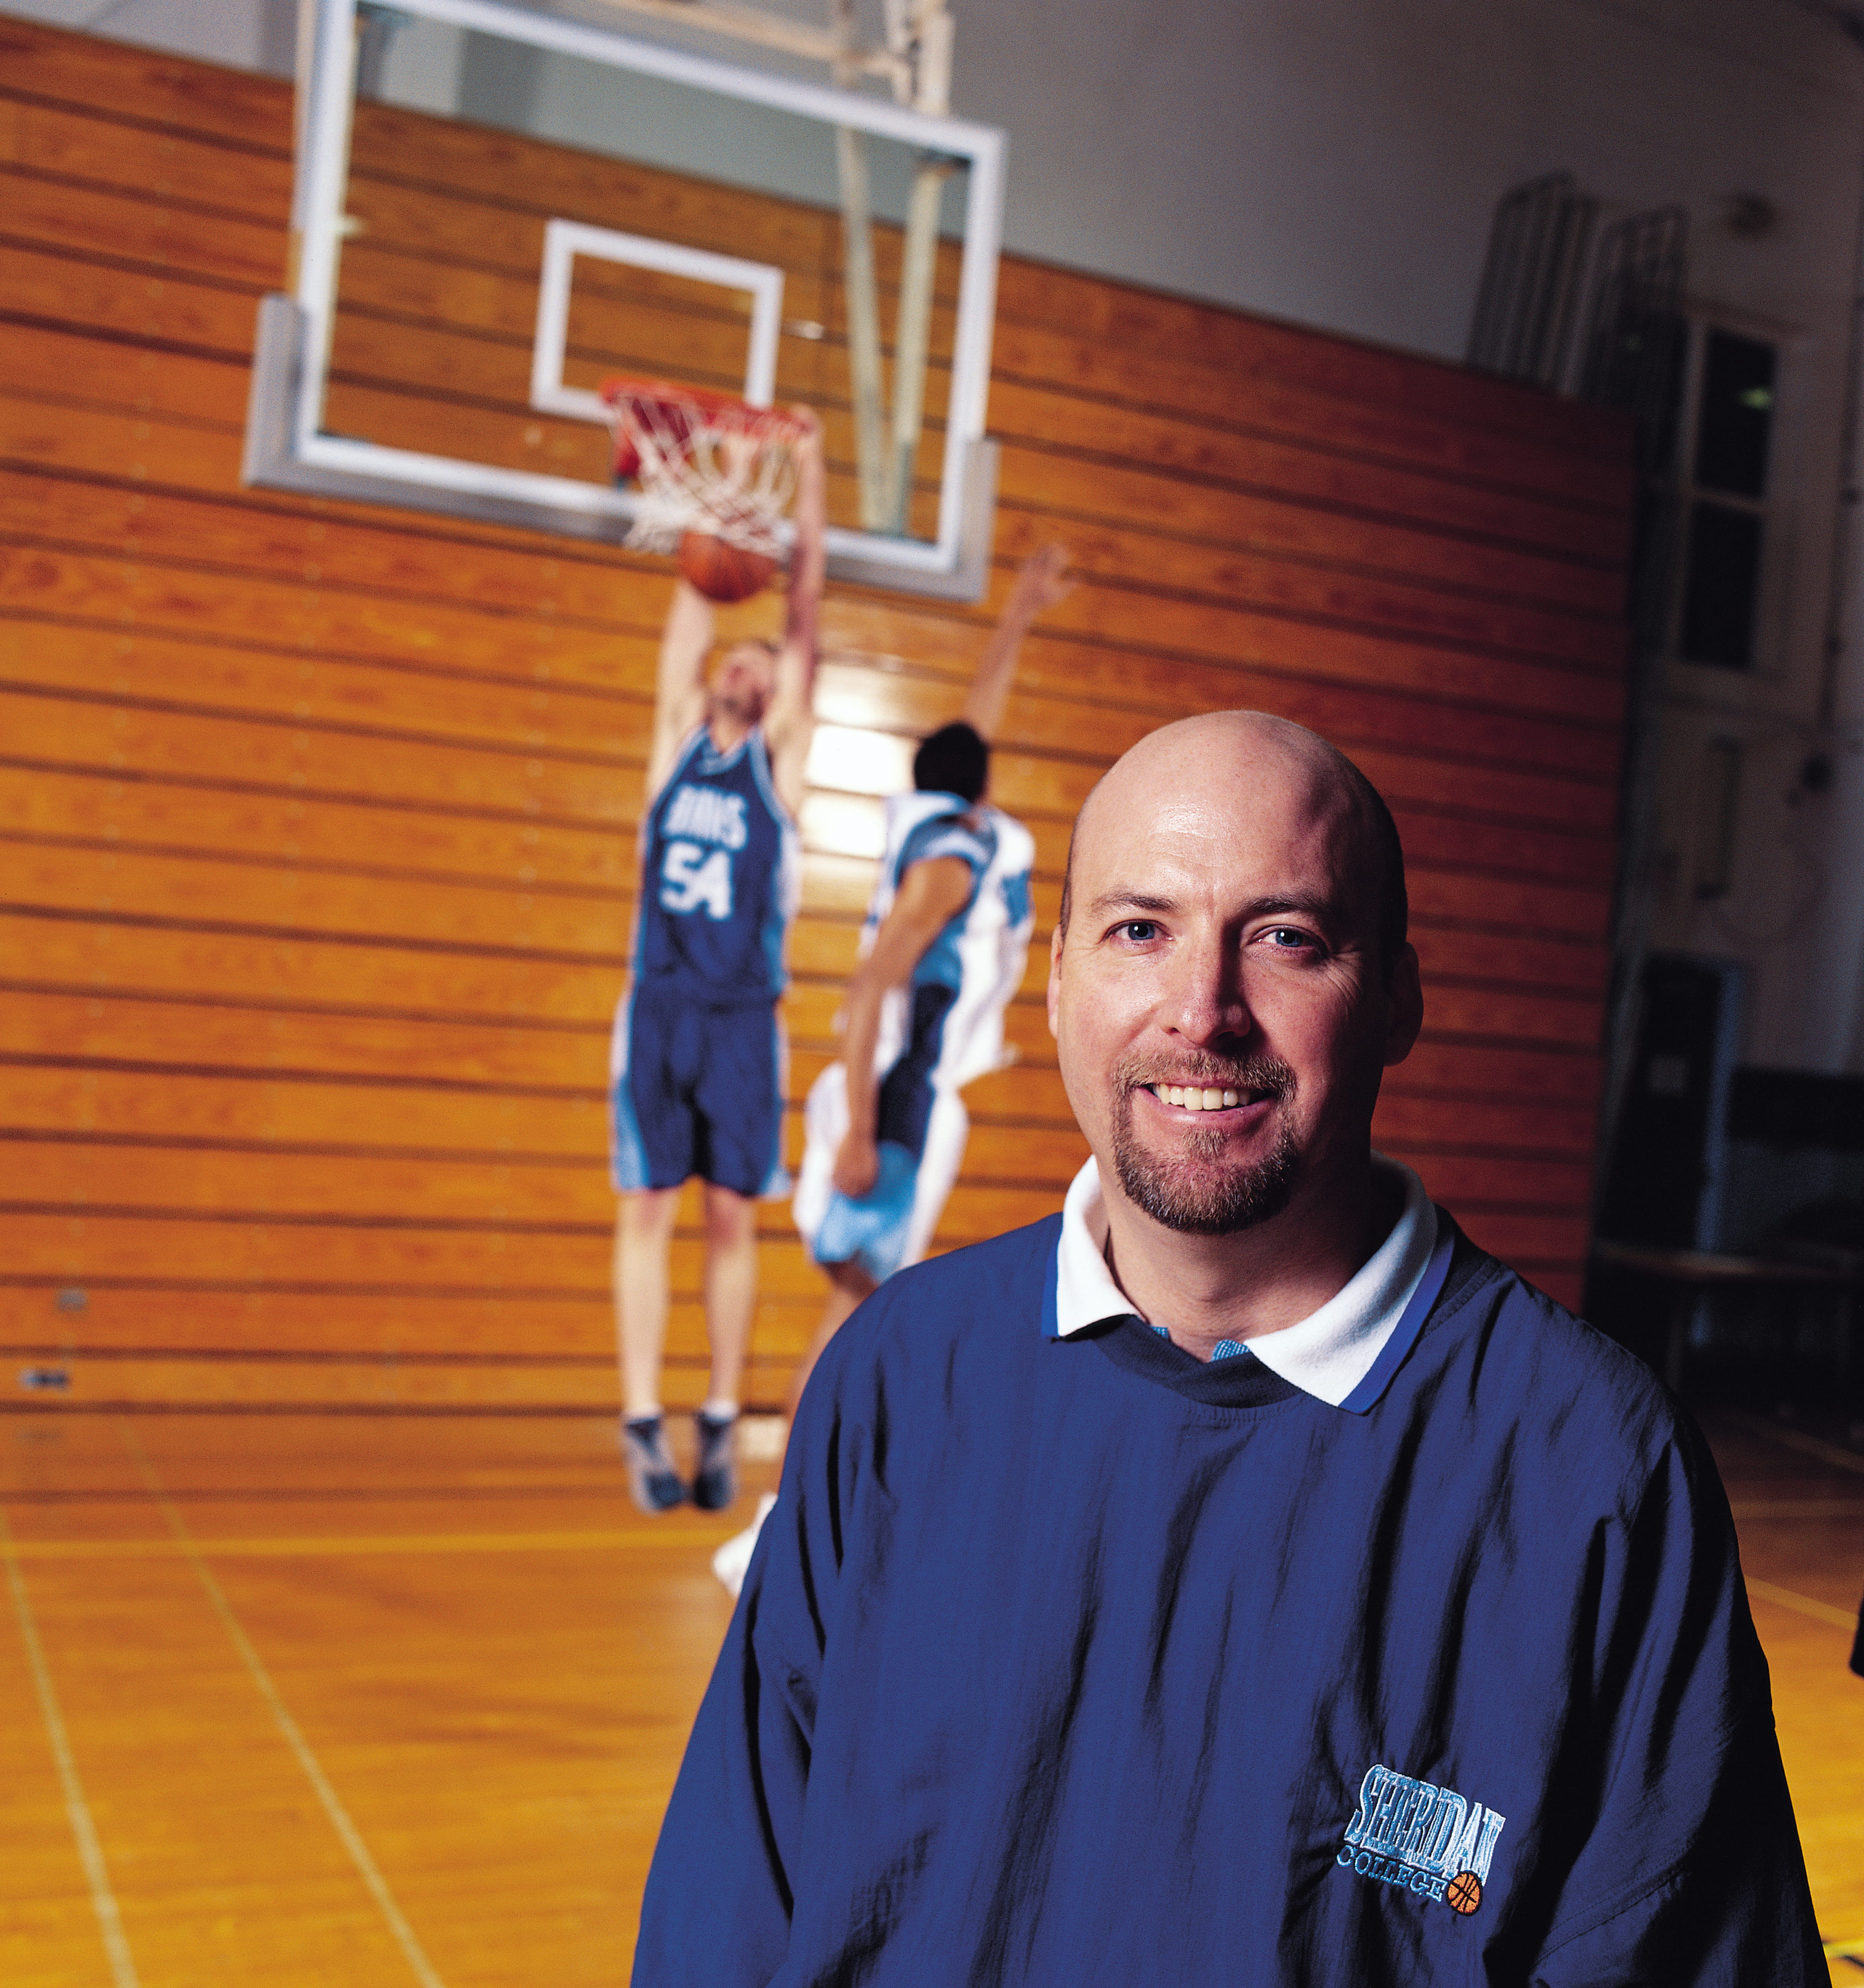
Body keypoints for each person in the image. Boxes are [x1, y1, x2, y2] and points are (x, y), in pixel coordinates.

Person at [635, 710, 1822, 1984]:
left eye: (1284, 939)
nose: (1201, 1012)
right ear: (1054, 982)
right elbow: (729, 1915)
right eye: (1140, 930)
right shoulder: (896, 1378)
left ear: (1399, 1001)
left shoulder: (1594, 1468)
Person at [710, 546, 1076, 1590]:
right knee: (859, 1316)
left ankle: (804, 1518)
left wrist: (1021, 612)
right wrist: (869, 1128)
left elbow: (976, 720)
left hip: (878, 1093)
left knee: (862, 1311)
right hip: (897, 1101)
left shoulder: (936, 819)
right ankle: (780, 1527)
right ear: (977, 789)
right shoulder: (958, 858)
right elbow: (873, 988)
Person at [610, 412, 824, 1517]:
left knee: (733, 1217)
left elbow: (803, 619)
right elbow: (693, 606)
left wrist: (804, 476)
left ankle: (718, 1416)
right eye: (732, 658)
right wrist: (726, 488)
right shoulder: (673, 745)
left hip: (745, 1017)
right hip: (660, 1006)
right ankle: (642, 1416)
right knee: (647, 1207)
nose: (745, 661)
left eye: (762, 661)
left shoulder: (777, 771)